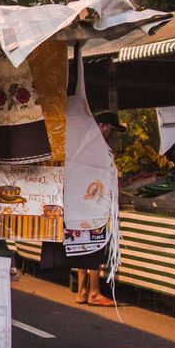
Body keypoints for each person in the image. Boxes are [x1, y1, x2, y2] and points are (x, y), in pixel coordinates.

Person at [77, 111, 125, 307]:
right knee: (94, 245)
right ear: (103, 126)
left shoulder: (82, 142)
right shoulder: (95, 146)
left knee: (82, 245)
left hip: (80, 202)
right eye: (112, 130)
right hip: (93, 202)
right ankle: (94, 292)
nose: (112, 135)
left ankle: (82, 291)